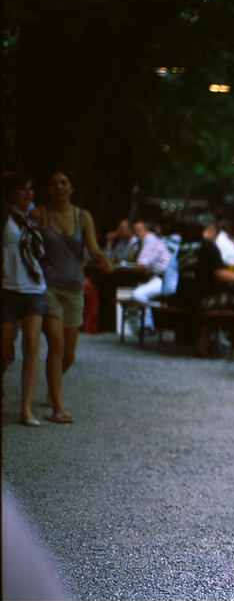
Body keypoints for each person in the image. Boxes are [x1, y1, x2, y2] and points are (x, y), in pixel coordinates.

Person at [30, 170, 112, 423]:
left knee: (69, 355)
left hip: (75, 288)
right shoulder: (38, 214)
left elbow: (93, 249)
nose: (59, 188)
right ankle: (58, 406)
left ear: (71, 188)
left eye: (64, 183)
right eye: (53, 184)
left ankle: (52, 387)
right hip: (47, 287)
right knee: (56, 346)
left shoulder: (82, 216)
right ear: (48, 189)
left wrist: (104, 261)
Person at [172, 216, 234, 361]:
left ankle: (203, 343)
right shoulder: (208, 246)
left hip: (181, 297)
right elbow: (221, 275)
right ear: (211, 229)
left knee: (220, 300)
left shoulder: (185, 245)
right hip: (200, 299)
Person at [2, 172, 49, 427]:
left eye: (30, 188)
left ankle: (26, 408)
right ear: (10, 192)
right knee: (4, 347)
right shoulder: (4, 216)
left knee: (32, 346)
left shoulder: (35, 217)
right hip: (7, 288)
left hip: (33, 287)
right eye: (22, 189)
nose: (28, 193)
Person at [129, 219, 173, 335]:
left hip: (165, 278)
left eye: (139, 230)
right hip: (157, 277)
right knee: (138, 288)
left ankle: (147, 326)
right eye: (135, 230)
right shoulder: (144, 241)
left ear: (145, 230)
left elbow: (142, 264)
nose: (137, 233)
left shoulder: (150, 240)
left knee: (138, 294)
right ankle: (146, 324)